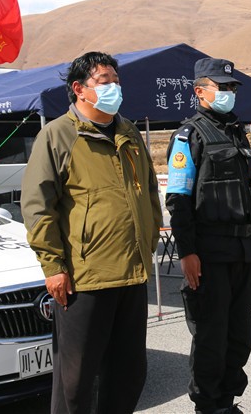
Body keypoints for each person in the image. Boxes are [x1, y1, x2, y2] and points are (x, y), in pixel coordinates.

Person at [21, 51, 163, 414]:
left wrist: (148, 243)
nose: (114, 87)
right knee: (76, 381)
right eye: (104, 81)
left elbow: (148, 191)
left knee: (129, 373)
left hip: (132, 272)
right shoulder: (57, 135)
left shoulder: (129, 132)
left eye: (116, 80)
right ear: (79, 89)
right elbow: (37, 206)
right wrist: (53, 266)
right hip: (85, 278)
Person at [165, 58, 251, 414]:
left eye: (232, 87)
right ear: (200, 91)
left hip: (242, 251)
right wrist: (187, 252)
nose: (229, 93)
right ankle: (207, 405)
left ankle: (226, 401)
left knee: (239, 336)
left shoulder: (236, 132)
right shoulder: (189, 135)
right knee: (211, 336)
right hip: (209, 253)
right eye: (222, 87)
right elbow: (178, 198)